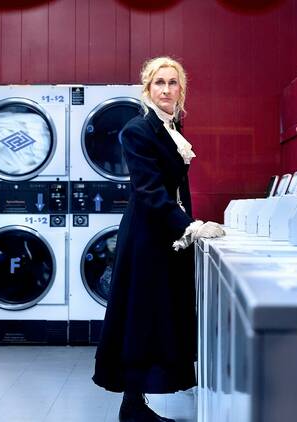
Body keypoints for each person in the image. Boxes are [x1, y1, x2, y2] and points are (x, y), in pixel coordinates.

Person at [93, 56, 225, 422]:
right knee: (140, 316)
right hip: (147, 237)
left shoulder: (172, 127)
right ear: (147, 89)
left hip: (167, 234)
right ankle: (131, 406)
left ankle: (135, 405)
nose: (166, 90)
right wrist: (189, 226)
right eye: (159, 83)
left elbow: (177, 189)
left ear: (182, 89)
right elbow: (149, 190)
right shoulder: (137, 130)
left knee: (154, 317)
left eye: (173, 83)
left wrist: (187, 223)